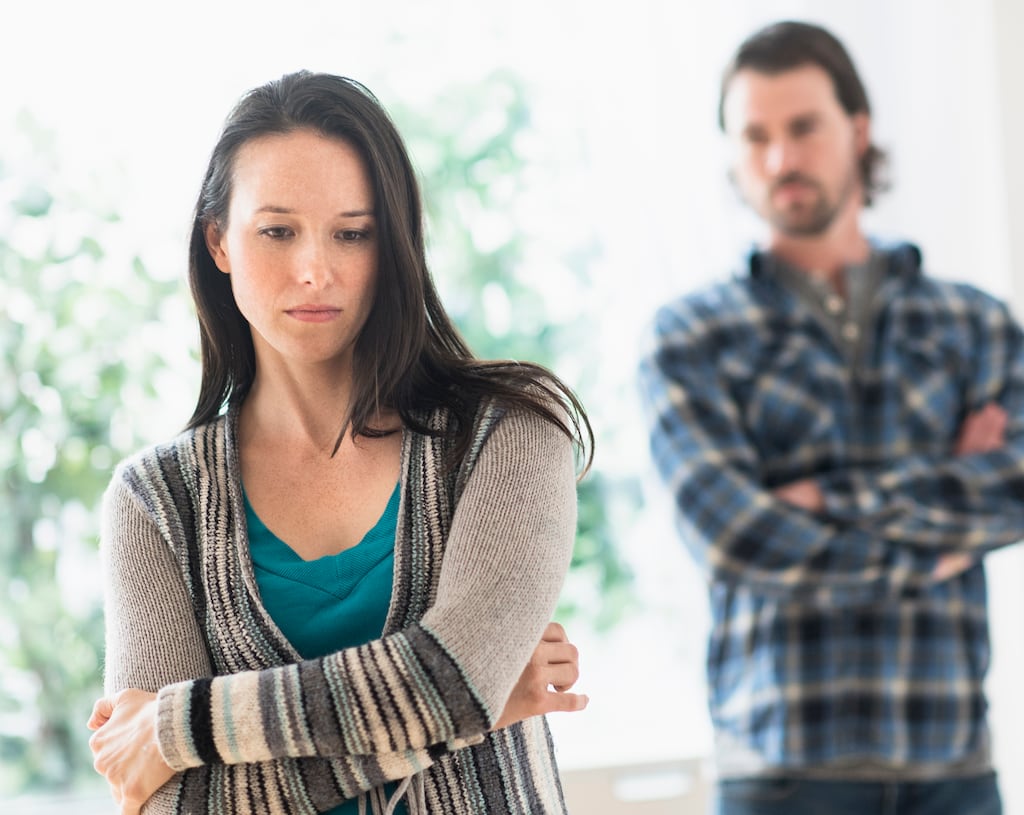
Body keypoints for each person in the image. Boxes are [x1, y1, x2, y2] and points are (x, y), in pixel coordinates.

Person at [86, 70, 592, 815]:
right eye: (277, 231)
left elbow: (461, 680)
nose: (315, 270)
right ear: (219, 241)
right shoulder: (156, 502)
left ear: (393, 245)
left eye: (352, 233)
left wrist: (182, 723)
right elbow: (168, 802)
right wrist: (453, 711)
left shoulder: (508, 432)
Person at [639, 20, 1023, 815]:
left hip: (953, 770)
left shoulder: (974, 323)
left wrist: (823, 499)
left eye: (803, 127)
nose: (781, 158)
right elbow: (736, 538)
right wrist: (940, 535)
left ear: (858, 128)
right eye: (756, 136)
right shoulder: (690, 337)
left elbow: (1014, 487)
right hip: (779, 778)